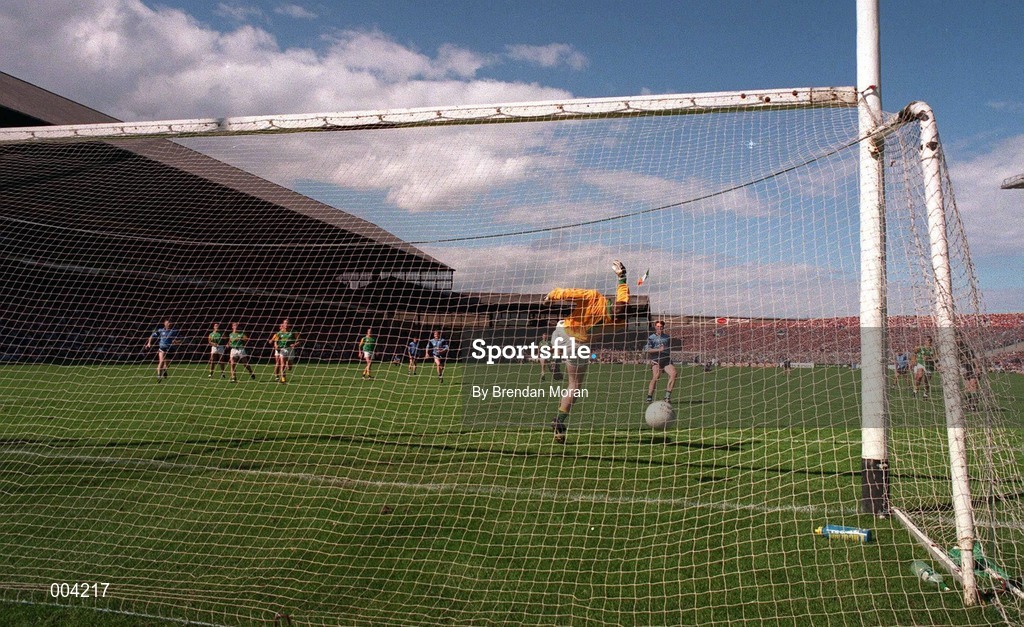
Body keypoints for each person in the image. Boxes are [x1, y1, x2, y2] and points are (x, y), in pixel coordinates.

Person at [544, 259, 630, 444]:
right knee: (574, 385)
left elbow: (568, 293)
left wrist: (552, 295)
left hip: (561, 331)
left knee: (560, 333)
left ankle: (555, 358)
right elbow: (623, 301)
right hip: (577, 345)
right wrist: (622, 280)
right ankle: (559, 420)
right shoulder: (618, 323)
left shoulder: (594, 296)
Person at [645, 320, 676, 404]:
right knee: (656, 376)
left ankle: (667, 397)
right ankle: (649, 396)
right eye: (658, 326)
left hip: (666, 359)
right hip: (656, 358)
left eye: (661, 327)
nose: (659, 328)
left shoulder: (667, 337)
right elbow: (647, 349)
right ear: (655, 327)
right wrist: (659, 349)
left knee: (674, 374)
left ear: (663, 327)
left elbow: (668, 348)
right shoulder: (651, 338)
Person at [270, 319, 301, 384]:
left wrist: (295, 345)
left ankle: (288, 365)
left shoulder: (294, 332)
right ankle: (283, 378)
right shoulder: (279, 333)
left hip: (290, 349)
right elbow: (275, 341)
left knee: (289, 368)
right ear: (283, 324)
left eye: (287, 323)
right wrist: (275, 345)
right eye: (285, 323)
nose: (286, 325)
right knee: (282, 365)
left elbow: (299, 341)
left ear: (289, 324)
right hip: (282, 349)